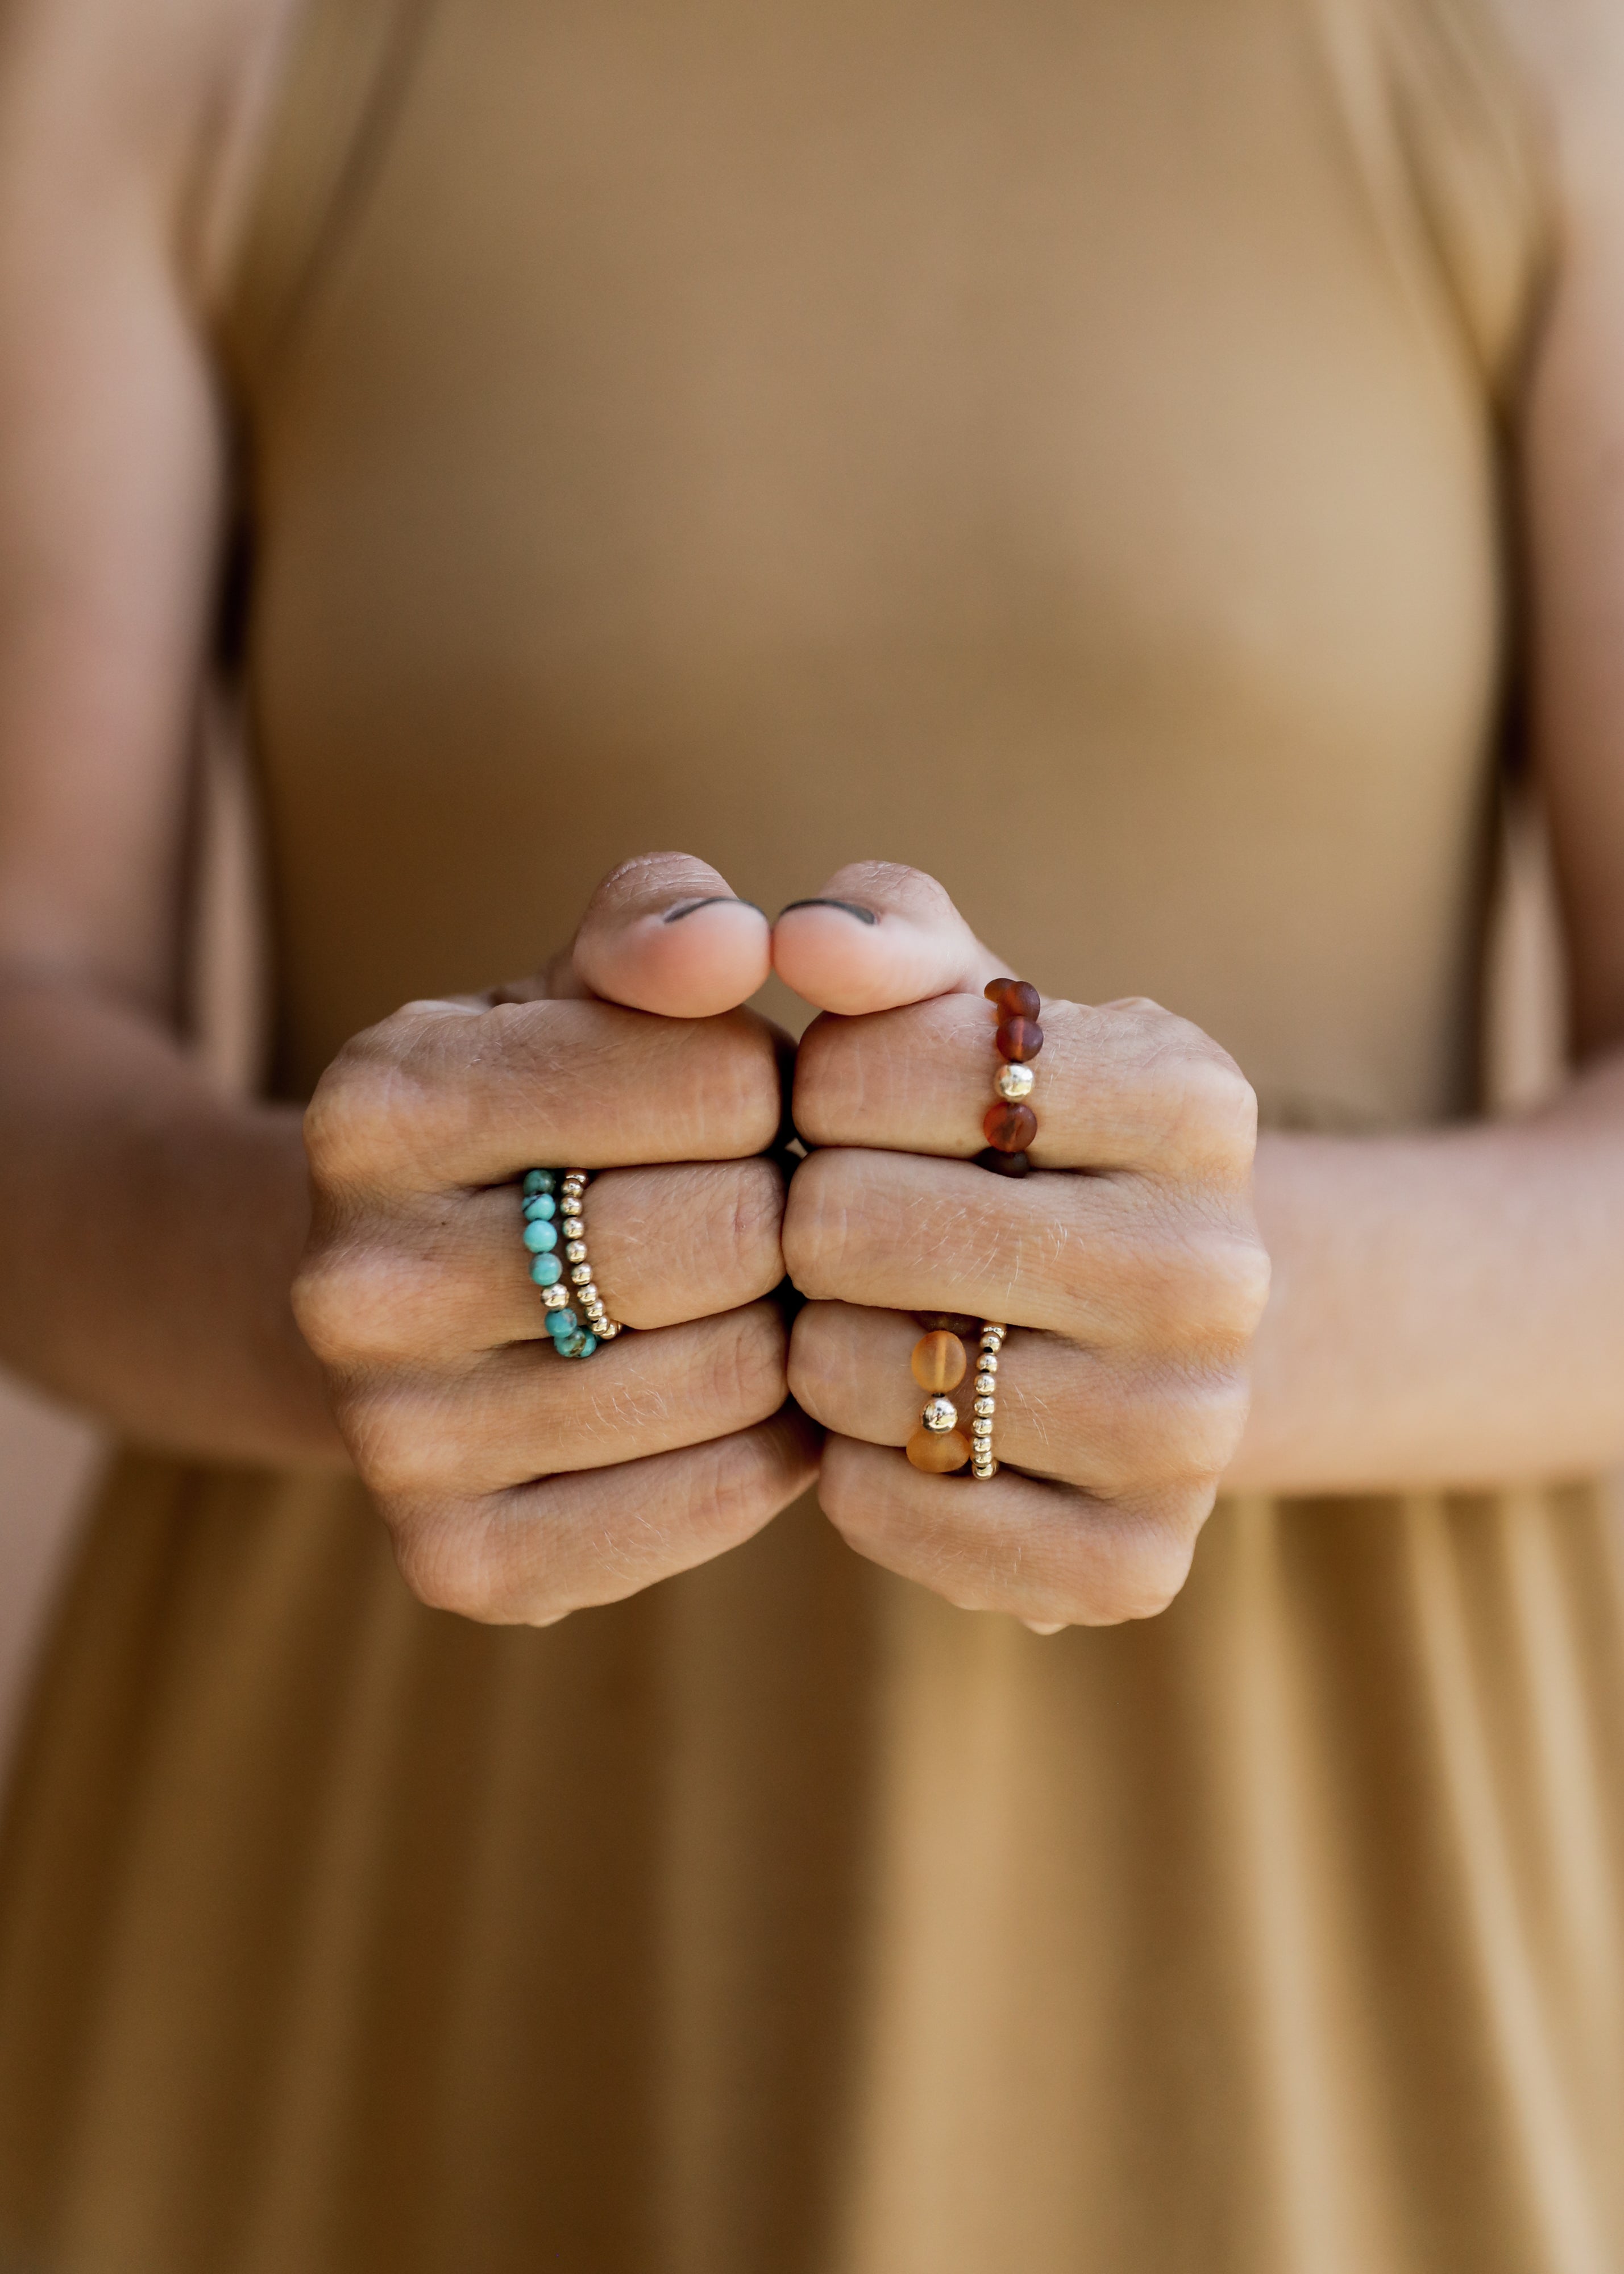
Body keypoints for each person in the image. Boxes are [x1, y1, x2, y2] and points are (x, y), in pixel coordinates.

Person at [1, 0, 1623, 2264]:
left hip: (1311, 1989)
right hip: (377, 1958)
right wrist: (358, 1294)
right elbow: (23, 1017)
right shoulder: (170, 43)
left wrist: (1208, 1305)